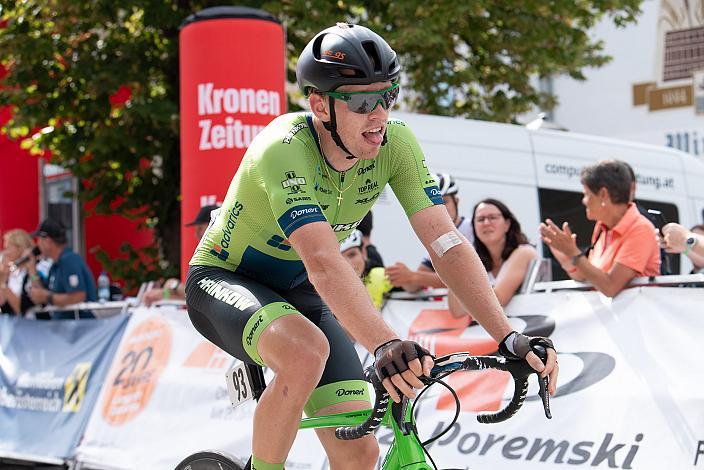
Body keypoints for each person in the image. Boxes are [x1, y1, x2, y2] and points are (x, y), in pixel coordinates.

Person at [184, 23, 558, 470]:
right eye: (362, 102)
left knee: (360, 454)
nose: (379, 115)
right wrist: (385, 344)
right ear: (320, 105)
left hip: (302, 293)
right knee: (305, 352)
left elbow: (447, 243)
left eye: (388, 96)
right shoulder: (282, 147)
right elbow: (323, 260)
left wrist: (508, 336)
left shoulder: (395, 144)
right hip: (226, 279)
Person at [540, 159, 660, 297]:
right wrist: (566, 258)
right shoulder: (601, 228)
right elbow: (590, 277)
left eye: (586, 194)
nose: (583, 201)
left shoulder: (641, 229)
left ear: (603, 194)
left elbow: (610, 287)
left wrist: (573, 253)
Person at [385, 173, 474, 292]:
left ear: (456, 201)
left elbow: (466, 280)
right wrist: (401, 277)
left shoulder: (473, 228)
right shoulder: (441, 239)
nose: (439, 208)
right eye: (433, 203)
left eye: (444, 201)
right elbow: (414, 286)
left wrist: (412, 276)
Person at [449, 199, 537, 318]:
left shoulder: (524, 252)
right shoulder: (475, 261)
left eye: (492, 217)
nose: (486, 223)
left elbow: (497, 301)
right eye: (480, 219)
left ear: (507, 224)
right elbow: (457, 312)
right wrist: (456, 262)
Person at [142, 204, 220, 306]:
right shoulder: (211, 252)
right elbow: (195, 297)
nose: (196, 234)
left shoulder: (220, 253)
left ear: (215, 225)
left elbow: (204, 296)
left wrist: (174, 286)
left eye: (200, 228)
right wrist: (166, 293)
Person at [26, 219, 97, 319]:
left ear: (48, 241)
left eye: (39, 240)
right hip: (63, 329)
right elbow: (40, 295)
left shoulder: (69, 260)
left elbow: (78, 296)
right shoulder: (55, 266)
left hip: (79, 329)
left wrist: (47, 297)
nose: (37, 245)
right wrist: (32, 270)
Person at [340, 230, 393, 309]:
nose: (348, 264)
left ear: (364, 253)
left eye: (352, 255)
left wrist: (413, 280)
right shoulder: (321, 293)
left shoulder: (381, 275)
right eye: (340, 259)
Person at [0, 229, 35, 315]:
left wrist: (4, 284)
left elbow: (19, 308)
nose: (5, 253)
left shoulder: (35, 269)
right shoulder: (12, 273)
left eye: (8, 248)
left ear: (20, 248)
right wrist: (3, 278)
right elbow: (3, 304)